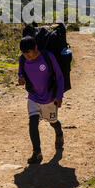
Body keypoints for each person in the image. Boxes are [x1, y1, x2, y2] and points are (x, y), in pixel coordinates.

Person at [18, 36, 64, 164]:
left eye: (30, 53)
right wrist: (21, 78)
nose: (28, 56)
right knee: (33, 123)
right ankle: (37, 153)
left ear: (36, 48)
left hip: (49, 97)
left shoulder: (48, 57)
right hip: (33, 96)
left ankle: (59, 133)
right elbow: (20, 72)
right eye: (25, 54)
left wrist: (59, 96)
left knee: (53, 122)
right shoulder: (22, 59)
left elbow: (59, 76)